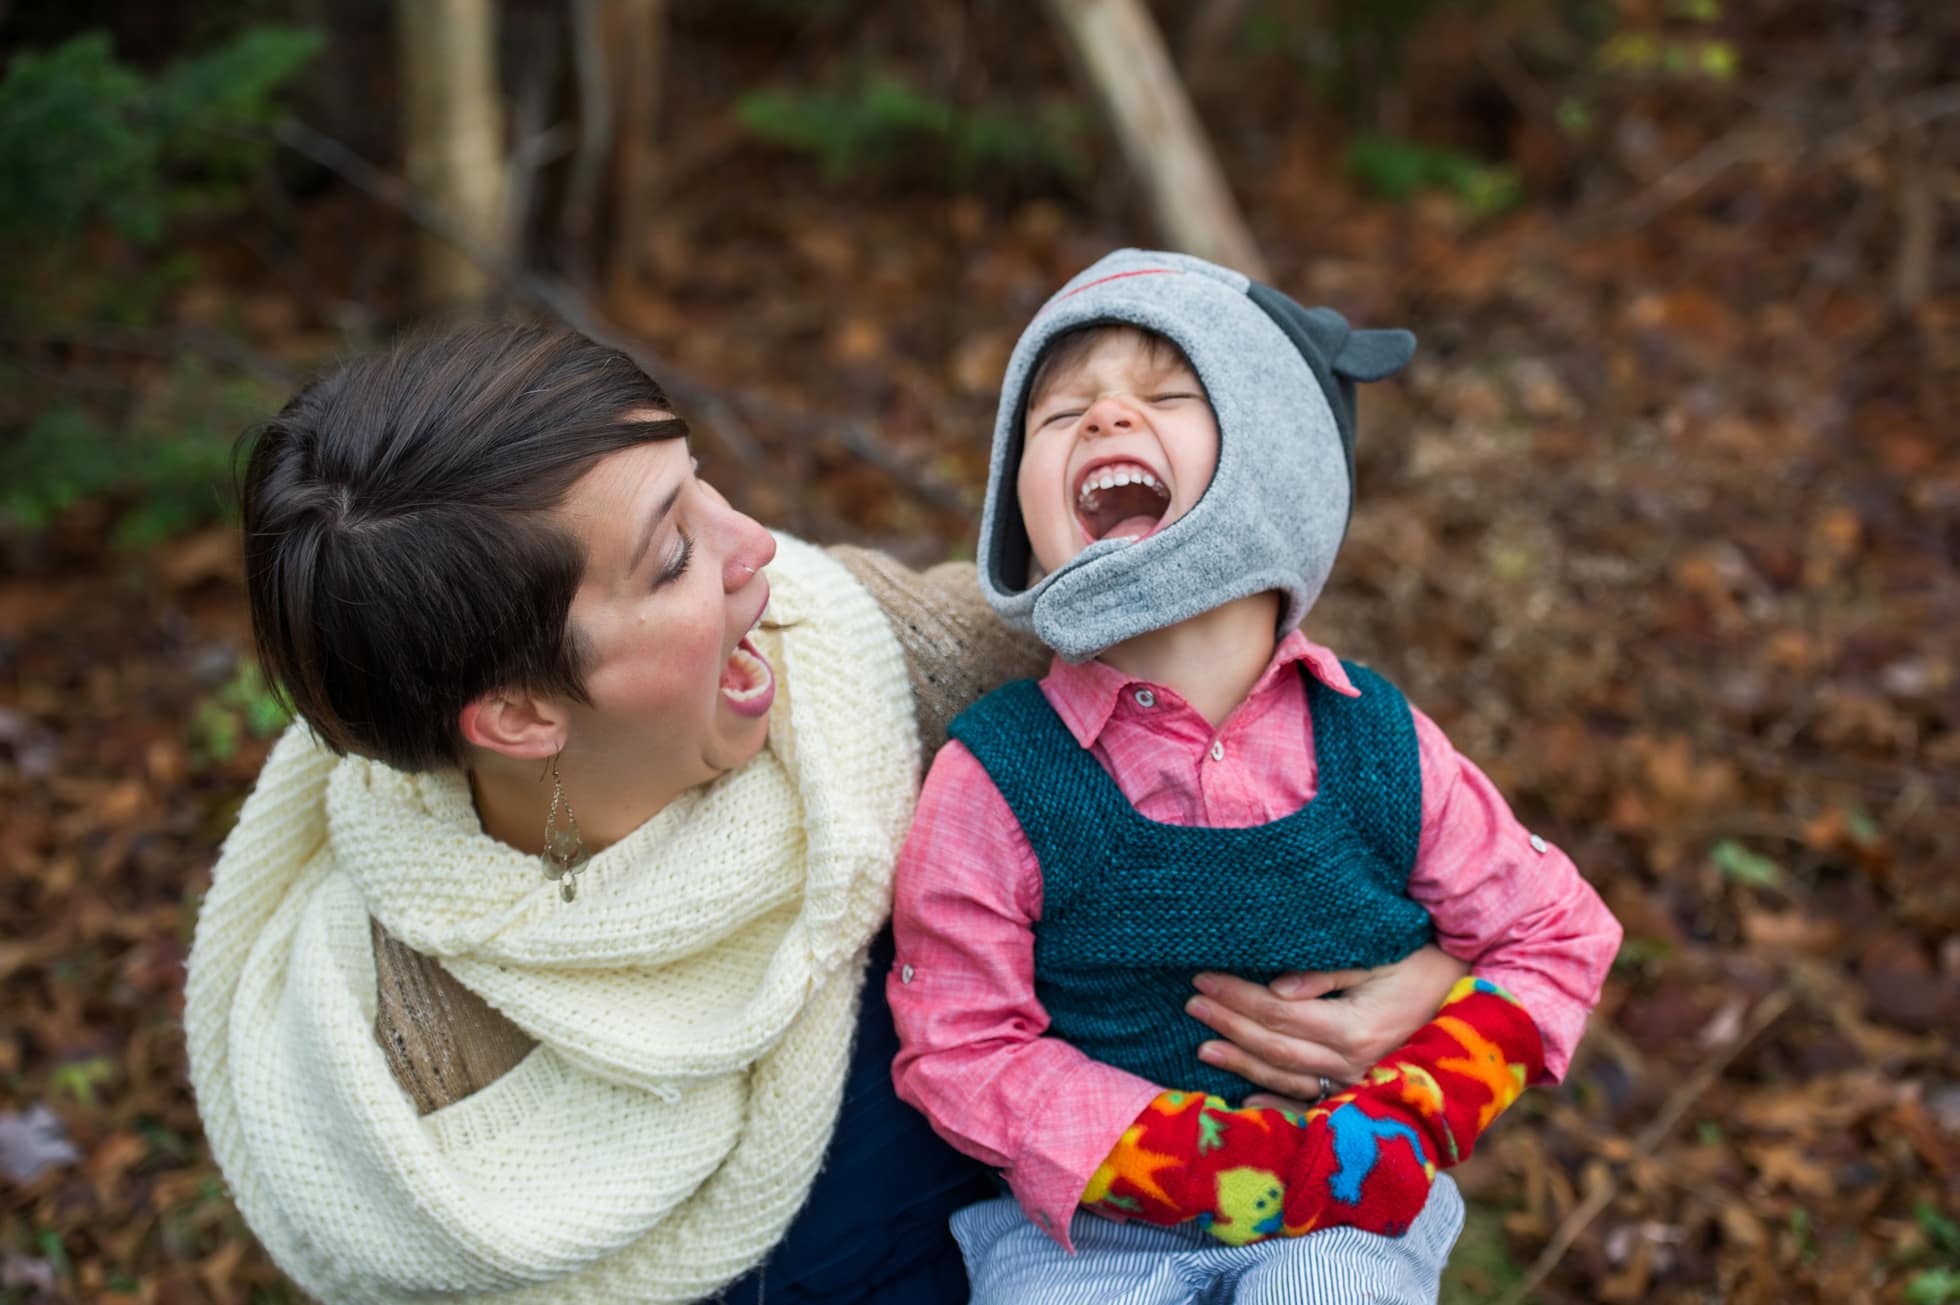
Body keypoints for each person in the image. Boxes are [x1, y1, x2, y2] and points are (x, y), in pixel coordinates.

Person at [183, 321, 1472, 1304]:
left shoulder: (880, 664)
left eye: (700, 485)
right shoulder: (396, 1043)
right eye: (673, 555)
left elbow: (1249, 677)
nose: (754, 543)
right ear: (519, 716)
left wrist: (1433, 975)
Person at [889, 249, 1623, 1303]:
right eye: (1058, 416)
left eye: (1166, 396)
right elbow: (960, 1042)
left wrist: (1406, 1110)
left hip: (1341, 1217)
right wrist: (1187, 1160)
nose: (1102, 420)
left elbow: (1556, 934)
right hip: (1084, 1234)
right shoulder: (999, 776)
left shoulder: (1373, 745)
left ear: (1273, 456)